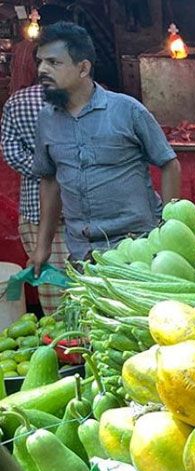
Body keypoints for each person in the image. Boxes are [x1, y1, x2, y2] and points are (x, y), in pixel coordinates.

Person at [28, 22, 180, 273]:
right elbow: (50, 180)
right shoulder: (47, 119)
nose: (42, 70)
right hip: (83, 252)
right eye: (40, 62)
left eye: (53, 62)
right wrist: (42, 246)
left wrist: (169, 228)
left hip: (138, 249)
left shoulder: (127, 110)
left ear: (83, 68)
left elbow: (169, 163)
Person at [1, 83, 69, 315]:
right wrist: (65, 167)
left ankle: (58, 331)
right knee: (92, 277)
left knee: (51, 282)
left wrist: (45, 168)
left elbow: (11, 152)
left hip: (36, 206)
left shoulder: (17, 101)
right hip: (83, 204)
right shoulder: (84, 96)